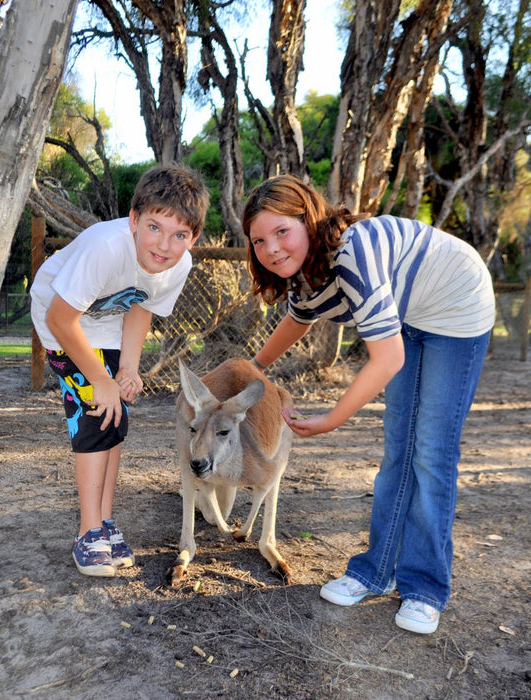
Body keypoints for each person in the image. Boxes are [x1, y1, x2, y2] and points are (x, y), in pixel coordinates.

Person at [242, 175, 494, 634]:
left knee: (432, 453)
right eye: (259, 240)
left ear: (310, 219)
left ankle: (424, 589)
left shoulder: (351, 252)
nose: (272, 249)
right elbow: (298, 321)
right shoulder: (303, 275)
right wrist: (250, 367)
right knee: (400, 450)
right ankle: (375, 571)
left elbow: (388, 357)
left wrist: (330, 419)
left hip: (457, 307)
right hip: (410, 314)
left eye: (282, 231)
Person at [31, 164, 210, 577]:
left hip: (105, 324)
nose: (164, 245)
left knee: (116, 417)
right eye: (154, 228)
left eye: (180, 235)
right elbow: (62, 319)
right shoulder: (106, 246)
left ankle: (105, 522)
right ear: (133, 220)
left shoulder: (176, 266)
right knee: (96, 414)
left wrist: (128, 368)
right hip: (60, 321)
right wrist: (100, 380)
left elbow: (140, 306)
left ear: (194, 237)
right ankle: (87, 531)